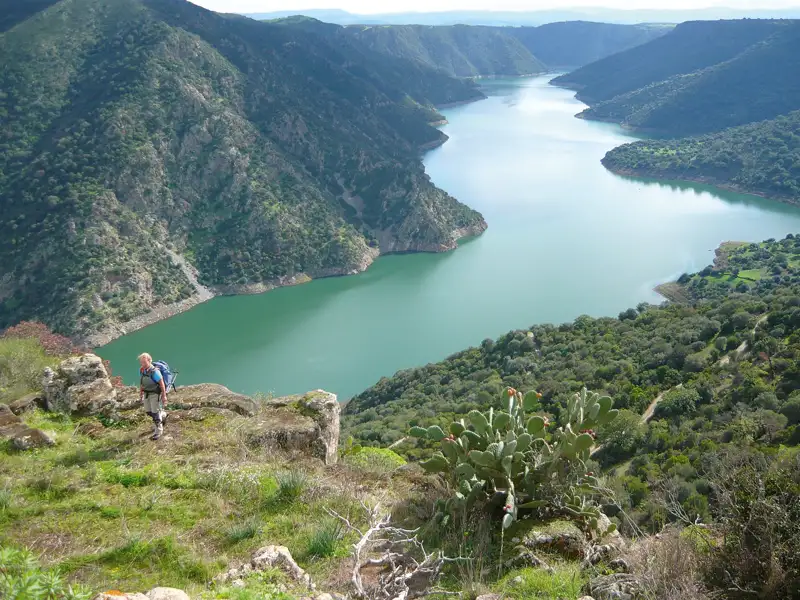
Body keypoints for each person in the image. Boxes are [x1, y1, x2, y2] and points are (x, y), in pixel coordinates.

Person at [139, 352, 167, 440]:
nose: (142, 364)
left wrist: (164, 396)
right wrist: (141, 392)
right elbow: (142, 382)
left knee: (155, 413)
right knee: (148, 411)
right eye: (141, 362)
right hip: (146, 393)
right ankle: (162, 415)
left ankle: (158, 431)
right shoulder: (142, 370)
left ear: (149, 360)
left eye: (144, 362)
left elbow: (161, 383)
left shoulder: (155, 371)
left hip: (155, 393)